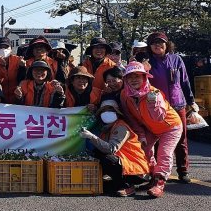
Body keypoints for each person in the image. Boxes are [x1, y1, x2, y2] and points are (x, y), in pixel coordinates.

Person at [119, 61, 183, 198]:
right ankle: (152, 178)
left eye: (138, 76)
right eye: (130, 76)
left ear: (144, 77)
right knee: (143, 149)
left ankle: (159, 183)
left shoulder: (154, 93)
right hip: (150, 128)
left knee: (164, 153)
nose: (134, 79)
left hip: (170, 127)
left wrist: (152, 103)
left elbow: (159, 118)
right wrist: (141, 136)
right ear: (125, 79)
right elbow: (132, 119)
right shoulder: (125, 95)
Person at [146, 31, 196, 183]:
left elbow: (185, 82)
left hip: (178, 105)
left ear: (167, 44)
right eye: (154, 43)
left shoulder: (177, 59)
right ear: (150, 46)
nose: (158, 45)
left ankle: (183, 170)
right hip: (158, 108)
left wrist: (191, 101)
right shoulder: (147, 63)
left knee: (181, 140)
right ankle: (157, 172)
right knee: (158, 139)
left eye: (161, 42)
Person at [79, 100, 150, 197]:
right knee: (97, 153)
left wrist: (92, 137)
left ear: (117, 113)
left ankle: (126, 186)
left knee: (107, 158)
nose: (106, 113)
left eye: (110, 110)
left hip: (135, 169)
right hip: (125, 165)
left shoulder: (121, 127)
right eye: (103, 111)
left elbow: (111, 149)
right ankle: (115, 181)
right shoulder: (107, 129)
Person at [0, 37, 25, 104]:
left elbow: (26, 77)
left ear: (11, 49)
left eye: (6, 47)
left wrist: (24, 66)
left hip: (17, 97)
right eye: (1, 47)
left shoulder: (18, 60)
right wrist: (2, 67)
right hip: (0, 99)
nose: (3, 50)